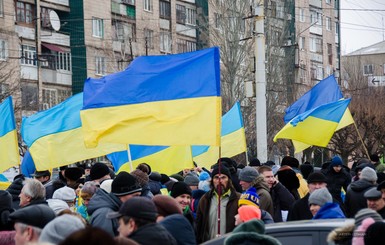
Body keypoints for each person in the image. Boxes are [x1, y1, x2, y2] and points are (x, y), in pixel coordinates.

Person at [87, 171, 142, 236]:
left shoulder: (117, 209)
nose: (138, 199)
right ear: (121, 194)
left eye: (139, 195)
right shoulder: (105, 214)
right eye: (135, 196)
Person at [196, 165, 240, 243]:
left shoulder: (238, 199)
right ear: (212, 180)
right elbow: (199, 225)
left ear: (229, 180)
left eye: (223, 177)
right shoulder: (205, 199)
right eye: (216, 177)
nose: (220, 181)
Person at [107, 196, 177, 245]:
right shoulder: (169, 238)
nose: (118, 229)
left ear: (131, 224)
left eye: (120, 224)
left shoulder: (134, 242)